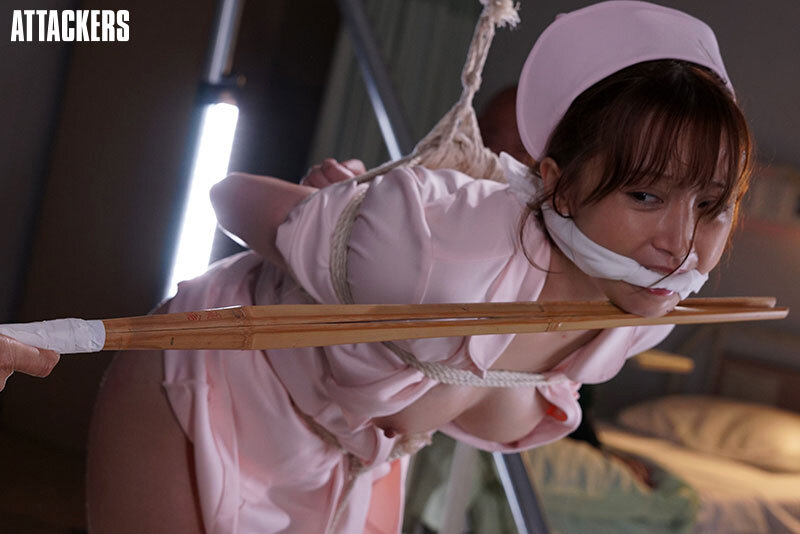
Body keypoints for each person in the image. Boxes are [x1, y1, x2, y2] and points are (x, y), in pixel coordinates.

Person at [5, 1, 753, 532]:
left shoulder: (644, 316)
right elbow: (228, 196)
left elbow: (479, 403)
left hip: (346, 457)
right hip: (218, 383)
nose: (681, 243)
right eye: (646, 195)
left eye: (713, 206)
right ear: (556, 183)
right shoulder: (436, 238)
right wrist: (326, 214)